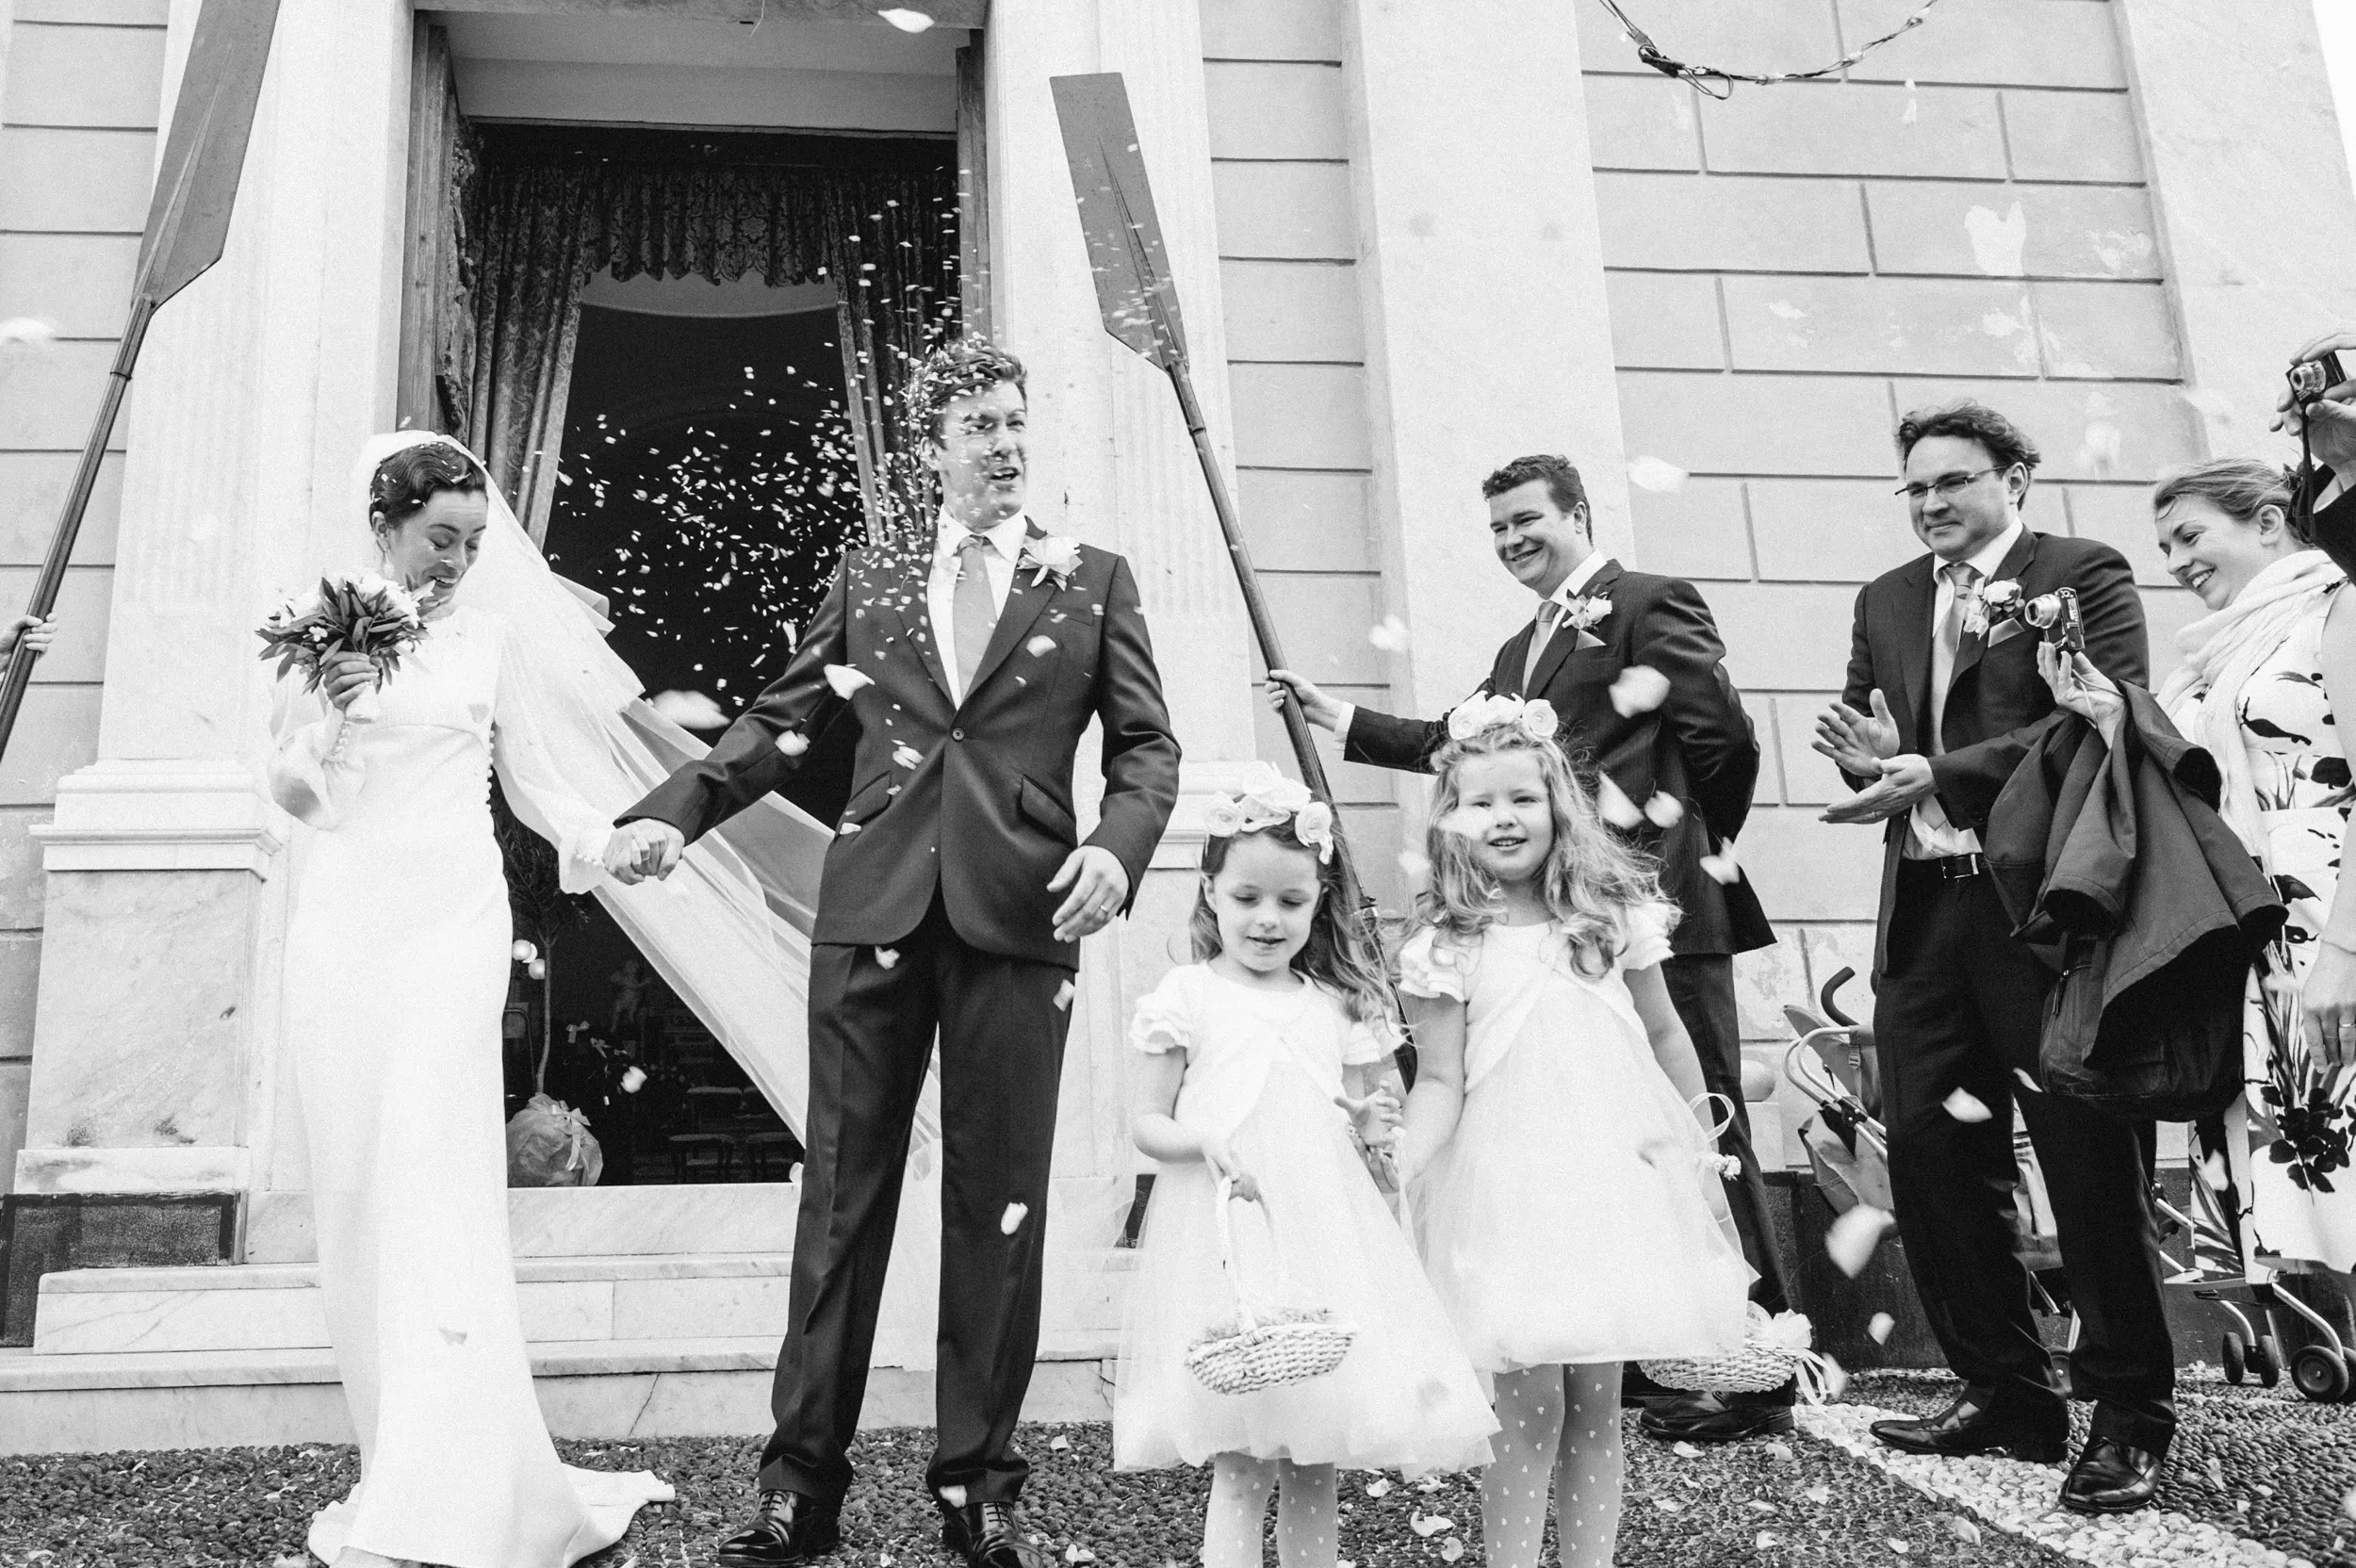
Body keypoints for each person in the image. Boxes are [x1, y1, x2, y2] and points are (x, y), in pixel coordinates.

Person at [611, 338, 1182, 1568]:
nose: (1004, 440)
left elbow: (1147, 749)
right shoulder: (868, 579)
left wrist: (1121, 852)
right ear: (931, 447)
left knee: (999, 1207)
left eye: (1014, 419)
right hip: (870, 911)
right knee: (842, 1204)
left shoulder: (1091, 581)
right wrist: (674, 810)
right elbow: (783, 719)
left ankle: (980, 1488)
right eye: (977, 422)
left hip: (1023, 924)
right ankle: (796, 1495)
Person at [1269, 452, 1788, 1443]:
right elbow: (1467, 748)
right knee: (1590, 1136)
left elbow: (1722, 738)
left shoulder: (1645, 601)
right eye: (1498, 527)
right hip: (1547, 918)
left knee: (1697, 1118)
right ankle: (1639, 1340)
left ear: (1577, 512)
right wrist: (1338, 716)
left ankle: (1743, 1356)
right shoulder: (1519, 648)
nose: (1512, 539)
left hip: (1639, 907)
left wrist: (1663, 852)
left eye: (1527, 519)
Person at [267, 436, 673, 1568]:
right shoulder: (315, 624)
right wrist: (338, 710)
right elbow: (296, 793)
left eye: (473, 542)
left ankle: (461, 1480)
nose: (456, 562)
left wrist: (609, 839)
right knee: (356, 1185)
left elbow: (537, 779)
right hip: (346, 926)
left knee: (438, 1182)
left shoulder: (489, 641)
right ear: (383, 525)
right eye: (439, 538)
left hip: (451, 923)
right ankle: (397, 1453)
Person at [1811, 400, 2173, 1514]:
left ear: (2015, 477)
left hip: (2044, 913)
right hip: (1926, 914)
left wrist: (1939, 768)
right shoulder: (1885, 597)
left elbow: (2093, 720)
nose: (1931, 506)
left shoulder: (2084, 572)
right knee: (1925, 1148)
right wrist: (1877, 759)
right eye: (1915, 488)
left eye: (1953, 482)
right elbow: (1881, 743)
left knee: (2085, 1157)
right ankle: (2003, 1388)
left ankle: (2127, 1411)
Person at [1391, 696, 1750, 1568]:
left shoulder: (1611, 917)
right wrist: (1394, 1166)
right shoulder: (1447, 943)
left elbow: (1667, 1036)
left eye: (1522, 797)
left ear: (1559, 803)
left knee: (1599, 1401)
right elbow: (1439, 1079)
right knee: (1528, 1408)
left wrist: (1700, 1155)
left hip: (1615, 1177)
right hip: (1510, 1189)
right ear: (1449, 819)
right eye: (1479, 802)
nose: (1503, 818)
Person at [1116, 770, 1497, 1568]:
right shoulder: (1186, 994)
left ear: (1317, 903)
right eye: (1247, 897)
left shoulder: (1333, 1004)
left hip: (1322, 1239)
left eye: (1291, 902)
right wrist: (1202, 1141)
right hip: (1233, 1245)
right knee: (1243, 1463)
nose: (1267, 919)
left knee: (1317, 1456)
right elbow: (1146, 1122)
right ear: (1210, 894)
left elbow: (1363, 1118)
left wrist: (1370, 1125)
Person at [2045, 459, 2356, 1272]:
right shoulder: (2213, 655)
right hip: (2268, 941)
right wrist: (2108, 712)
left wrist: (2345, 957)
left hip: (2336, 918)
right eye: (2165, 548)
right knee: (2322, 1183)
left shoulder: (2338, 607)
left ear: (2266, 521)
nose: (2177, 562)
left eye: (2190, 536)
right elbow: (2202, 785)